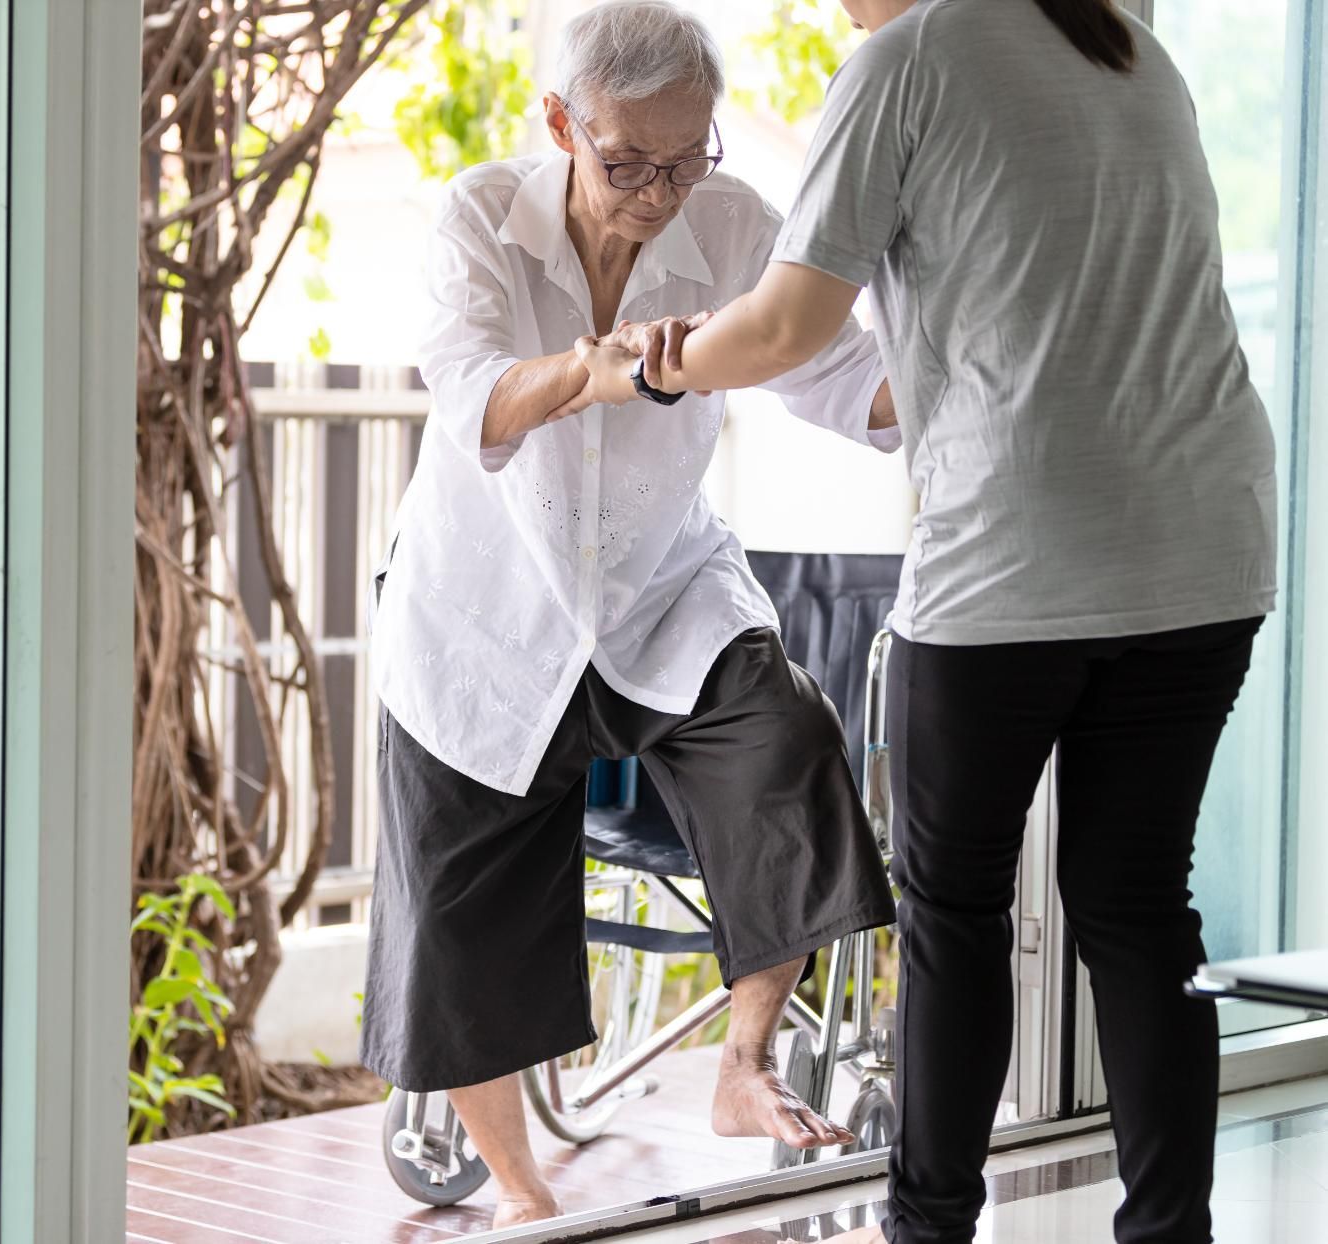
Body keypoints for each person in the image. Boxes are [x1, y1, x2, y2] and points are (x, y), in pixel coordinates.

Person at [577, 2, 1278, 1241]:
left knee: (953, 913)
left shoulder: (905, 64)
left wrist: (652, 359)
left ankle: (930, 1229)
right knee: (1137, 903)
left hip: (1016, 560)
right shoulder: (1124, 45)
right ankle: (1172, 1230)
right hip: (1202, 544)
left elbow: (791, 323)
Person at [361, 0, 904, 1229]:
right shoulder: (478, 218)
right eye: (628, 164)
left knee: (789, 746)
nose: (660, 192)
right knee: (461, 908)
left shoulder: (731, 223)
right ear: (562, 123)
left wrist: (945, 392)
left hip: (663, 587)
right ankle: (521, 1187)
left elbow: (831, 372)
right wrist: (593, 369)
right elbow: (469, 399)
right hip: (484, 609)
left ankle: (741, 1065)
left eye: (688, 156)